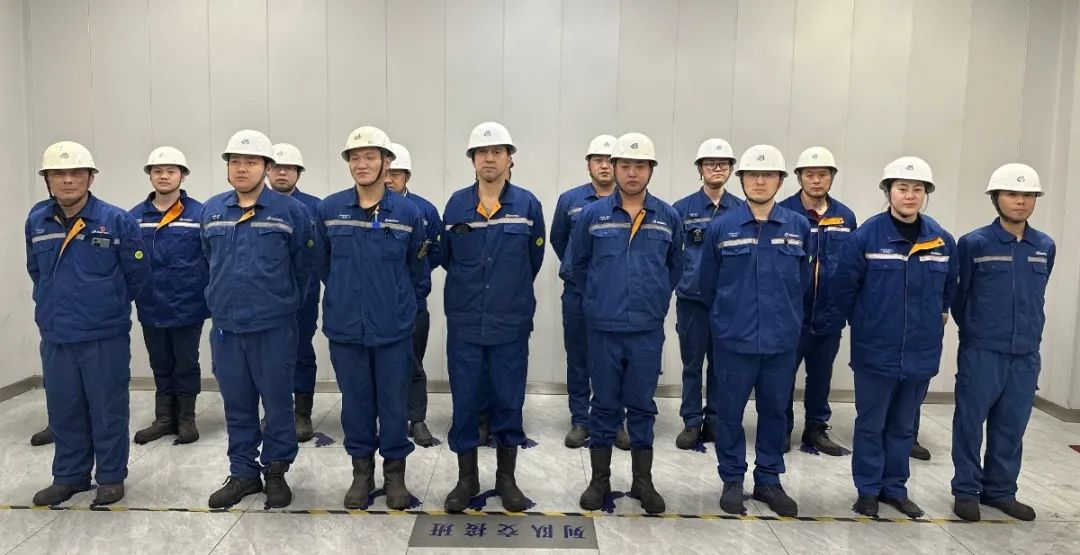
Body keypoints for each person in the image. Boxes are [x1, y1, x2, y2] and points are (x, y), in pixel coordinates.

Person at [823, 156, 957, 518]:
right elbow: (843, 289)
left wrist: (939, 313)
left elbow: (949, 287)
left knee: (903, 427)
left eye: (917, 189)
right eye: (902, 188)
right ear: (888, 192)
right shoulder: (866, 237)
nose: (910, 195)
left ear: (925, 194)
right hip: (876, 351)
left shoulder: (941, 240)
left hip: (920, 352)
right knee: (871, 425)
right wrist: (866, 323)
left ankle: (895, 489)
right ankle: (867, 490)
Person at [26, 141, 150, 506]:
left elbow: (138, 276)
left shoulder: (116, 221)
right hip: (57, 336)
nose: (67, 180)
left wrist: (106, 307)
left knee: (108, 409)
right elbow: (37, 271)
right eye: (58, 174)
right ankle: (70, 476)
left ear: (90, 178)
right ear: (47, 180)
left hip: (103, 337)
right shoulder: (37, 221)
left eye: (76, 173)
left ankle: (110, 476)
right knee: (64, 410)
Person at [693, 145, 810, 517]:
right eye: (753, 175)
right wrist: (727, 322)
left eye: (768, 174)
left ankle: (769, 481)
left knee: (775, 413)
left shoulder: (797, 227)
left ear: (780, 180)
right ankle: (732, 479)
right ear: (741, 179)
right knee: (729, 414)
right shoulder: (721, 227)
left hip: (781, 343)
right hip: (734, 341)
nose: (760, 181)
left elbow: (803, 283)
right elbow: (707, 285)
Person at [569, 132, 683, 514]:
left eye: (641, 166)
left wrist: (655, 298)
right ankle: (599, 481)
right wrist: (599, 300)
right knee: (603, 406)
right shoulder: (592, 216)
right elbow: (577, 266)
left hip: (647, 331)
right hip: (603, 329)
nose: (633, 173)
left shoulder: (668, 217)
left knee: (642, 407)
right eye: (626, 165)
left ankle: (642, 482)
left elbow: (675, 267)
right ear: (614, 168)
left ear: (651, 170)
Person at [202, 130, 313, 509]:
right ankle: (243, 473)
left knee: (278, 404)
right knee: (237, 405)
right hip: (226, 329)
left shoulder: (291, 212)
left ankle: (276, 471)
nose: (241, 168)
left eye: (250, 162)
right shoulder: (212, 211)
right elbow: (207, 261)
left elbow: (304, 267)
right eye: (235, 161)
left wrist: (281, 303)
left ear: (266, 167)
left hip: (274, 328)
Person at [318, 127, 426, 510]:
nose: (361, 164)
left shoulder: (409, 213)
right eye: (354, 157)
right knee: (356, 404)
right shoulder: (329, 210)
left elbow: (417, 270)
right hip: (346, 328)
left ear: (386, 162)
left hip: (393, 329)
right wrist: (346, 295)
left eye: (369, 156)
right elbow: (323, 265)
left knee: (394, 404)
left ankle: (395, 475)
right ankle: (361, 473)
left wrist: (396, 304)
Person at [440, 122, 545, 512]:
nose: (489, 158)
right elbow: (447, 258)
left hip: (509, 325)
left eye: (497, 152)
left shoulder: (528, 206)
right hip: (466, 324)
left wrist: (507, 291)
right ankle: (466, 479)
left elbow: (533, 260)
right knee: (465, 402)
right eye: (482, 152)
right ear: (472, 159)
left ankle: (506, 479)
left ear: (509, 158)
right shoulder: (455, 206)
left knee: (508, 402)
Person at [950, 163, 1053, 522]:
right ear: (995, 198)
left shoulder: (1044, 246)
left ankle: (1000, 491)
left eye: (1028, 195)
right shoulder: (974, 244)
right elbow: (960, 297)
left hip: (1025, 354)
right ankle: (966, 490)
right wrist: (977, 331)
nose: (1020, 201)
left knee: (1011, 426)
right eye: (1012, 194)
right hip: (982, 351)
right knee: (969, 423)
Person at [550, 134, 632, 450]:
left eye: (610, 160)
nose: (604, 165)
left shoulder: (630, 201)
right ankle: (580, 420)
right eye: (598, 159)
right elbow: (559, 240)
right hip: (578, 293)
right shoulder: (570, 200)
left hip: (616, 296)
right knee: (578, 357)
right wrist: (580, 270)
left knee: (614, 360)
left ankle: (614, 420)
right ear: (588, 164)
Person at [777, 146, 857, 455]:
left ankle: (816, 429)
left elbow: (852, 265)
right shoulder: (783, 213)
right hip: (792, 313)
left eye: (823, 174)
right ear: (799, 177)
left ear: (832, 177)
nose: (816, 180)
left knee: (821, 376)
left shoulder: (845, 217)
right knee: (783, 375)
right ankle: (781, 428)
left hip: (829, 313)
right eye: (809, 174)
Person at [130, 146, 209, 446]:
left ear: (182, 176)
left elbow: (211, 258)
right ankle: (164, 418)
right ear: (150, 175)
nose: (164, 176)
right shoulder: (134, 217)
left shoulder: (200, 214)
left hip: (188, 305)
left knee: (186, 362)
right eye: (158, 171)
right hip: (151, 304)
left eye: (171, 171)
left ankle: (186, 418)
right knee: (160, 363)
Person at [672, 137, 741, 449]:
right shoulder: (682, 209)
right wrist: (682, 281)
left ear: (730, 170)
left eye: (723, 163)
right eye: (710, 163)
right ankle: (691, 421)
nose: (717, 168)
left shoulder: (740, 209)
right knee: (691, 364)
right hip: (692, 301)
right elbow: (670, 255)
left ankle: (714, 420)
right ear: (699, 169)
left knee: (721, 365)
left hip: (726, 302)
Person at [384, 142, 443, 447]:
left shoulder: (424, 210)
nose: (389, 179)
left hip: (413, 300)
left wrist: (413, 278)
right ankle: (386, 418)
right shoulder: (367, 208)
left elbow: (437, 251)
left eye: (396, 173)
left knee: (412, 362)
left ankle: (416, 419)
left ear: (407, 176)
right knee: (378, 365)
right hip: (375, 301)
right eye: (386, 172)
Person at [267, 142, 322, 443]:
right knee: (268, 356)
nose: (282, 173)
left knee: (301, 351)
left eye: (289, 168)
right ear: (267, 170)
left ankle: (302, 413)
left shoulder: (315, 207)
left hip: (303, 296)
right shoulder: (253, 205)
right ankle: (275, 411)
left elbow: (325, 254)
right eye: (277, 167)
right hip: (264, 297)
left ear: (298, 173)